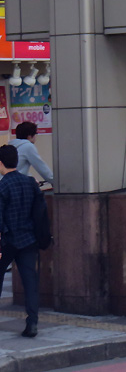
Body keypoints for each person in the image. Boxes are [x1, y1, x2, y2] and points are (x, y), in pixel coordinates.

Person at [0, 144, 42, 337]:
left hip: (8, 241)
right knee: (30, 282)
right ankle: (32, 323)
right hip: (29, 239)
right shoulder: (30, 182)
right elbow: (39, 212)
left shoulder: (3, 186)